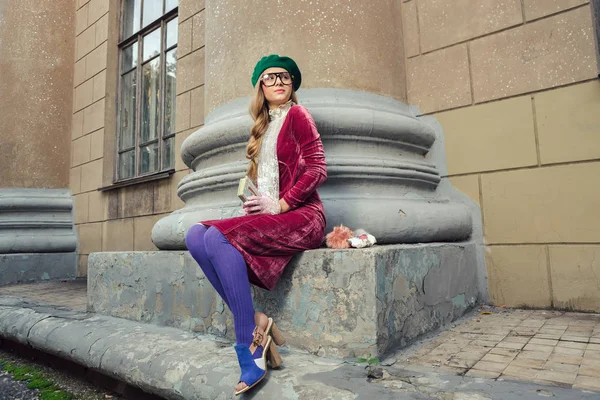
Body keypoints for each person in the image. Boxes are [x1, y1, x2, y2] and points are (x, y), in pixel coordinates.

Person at [184, 54, 327, 395]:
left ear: (292, 85)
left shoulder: (297, 115)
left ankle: (248, 344)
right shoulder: (262, 128)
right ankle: (257, 324)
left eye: (285, 77)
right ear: (260, 86)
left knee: (218, 237)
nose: (278, 82)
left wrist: (280, 203)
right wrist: (256, 200)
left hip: (304, 215)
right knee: (195, 235)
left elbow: (317, 168)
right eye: (270, 77)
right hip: (274, 214)